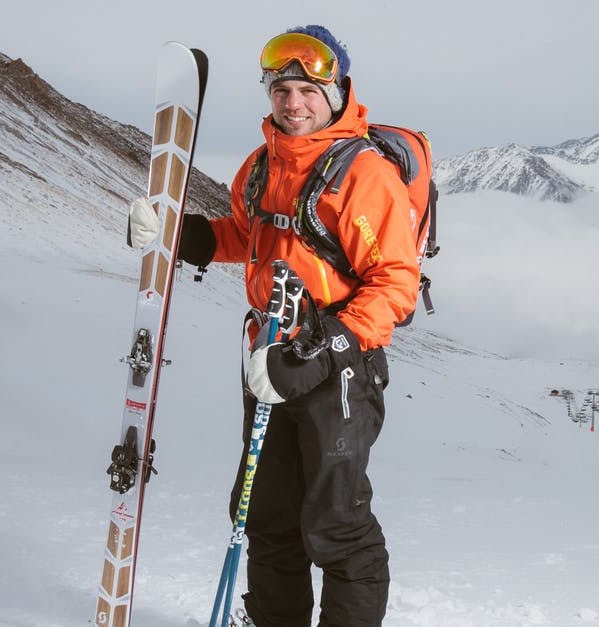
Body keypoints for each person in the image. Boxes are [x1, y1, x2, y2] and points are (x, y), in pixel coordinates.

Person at [176, 25, 417, 627]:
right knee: (265, 513)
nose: (293, 102)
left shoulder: (363, 175)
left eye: (308, 89)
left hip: (337, 367)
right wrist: (198, 239)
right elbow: (252, 235)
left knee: (335, 524)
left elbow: (395, 283)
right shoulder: (261, 165)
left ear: (335, 92)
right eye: (281, 89)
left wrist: (326, 350)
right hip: (268, 356)